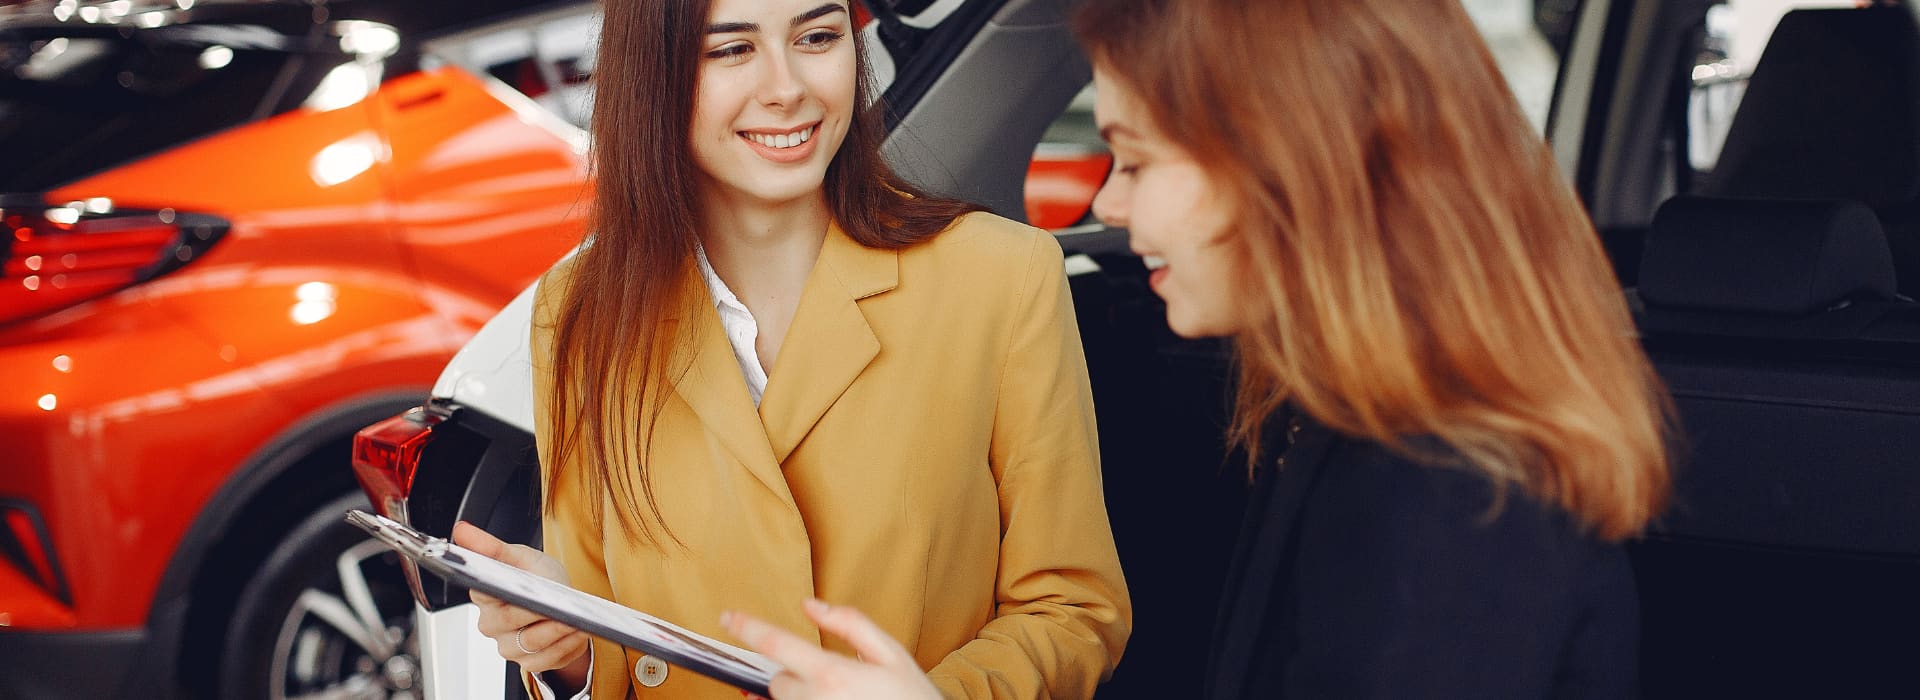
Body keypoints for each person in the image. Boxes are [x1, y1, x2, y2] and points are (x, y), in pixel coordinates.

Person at [720, 0, 1675, 697]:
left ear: (1287, 172)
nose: (1107, 204)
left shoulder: (1451, 499)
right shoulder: (1363, 431)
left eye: (1136, 160)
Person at [450, 0, 1130, 698]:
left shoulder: (1002, 276)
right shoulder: (579, 311)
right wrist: (569, 653)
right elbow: (606, 630)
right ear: (653, 75)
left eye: (817, 36)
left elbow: (1071, 609)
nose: (786, 87)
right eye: (732, 50)